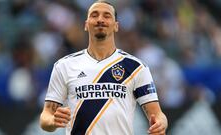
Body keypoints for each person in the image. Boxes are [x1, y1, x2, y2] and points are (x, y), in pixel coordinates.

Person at [39, 0, 168, 135]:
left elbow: (157, 114)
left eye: (107, 16)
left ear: (116, 26)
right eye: (94, 15)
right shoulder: (64, 66)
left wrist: (160, 124)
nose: (100, 19)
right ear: (86, 25)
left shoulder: (136, 67)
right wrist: (53, 121)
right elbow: (45, 117)